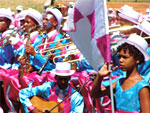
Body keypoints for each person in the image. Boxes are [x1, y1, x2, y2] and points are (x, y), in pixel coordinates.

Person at [91, 34, 150, 112]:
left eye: (125, 57)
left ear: (137, 59)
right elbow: (95, 94)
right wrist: (99, 76)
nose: (120, 60)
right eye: (119, 57)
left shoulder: (142, 87)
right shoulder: (119, 82)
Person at [19, 62, 84, 113]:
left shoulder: (76, 97)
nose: (63, 82)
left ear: (69, 78)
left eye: (65, 79)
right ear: (55, 78)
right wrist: (31, 108)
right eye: (60, 79)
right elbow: (22, 93)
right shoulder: (48, 87)